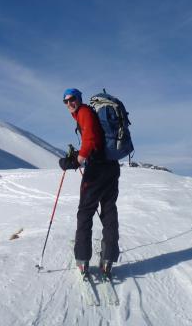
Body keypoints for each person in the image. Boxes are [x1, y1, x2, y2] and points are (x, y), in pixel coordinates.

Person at [58, 88, 120, 276]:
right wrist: (80, 154)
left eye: (72, 99)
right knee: (108, 210)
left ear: (79, 99)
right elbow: (95, 139)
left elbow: (91, 138)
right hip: (111, 167)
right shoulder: (88, 113)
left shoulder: (84, 112)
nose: (69, 103)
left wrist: (77, 160)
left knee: (85, 212)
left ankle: (83, 259)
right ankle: (108, 258)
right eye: (65, 101)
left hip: (96, 171)